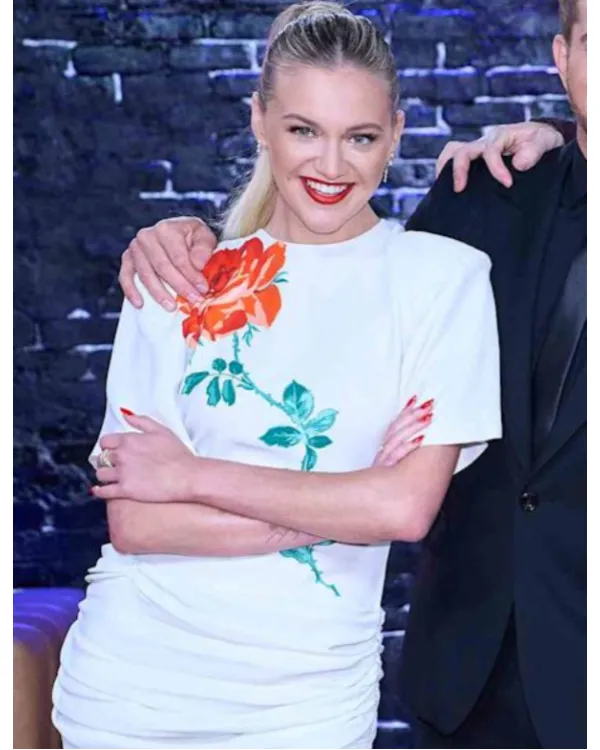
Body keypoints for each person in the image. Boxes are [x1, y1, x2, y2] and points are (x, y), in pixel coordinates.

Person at [116, 1, 586, 748]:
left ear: (390, 134)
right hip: (466, 667)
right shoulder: (485, 197)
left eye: (357, 137)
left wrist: (192, 476)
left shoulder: (452, 257)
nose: (331, 161)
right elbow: (329, 273)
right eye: (304, 129)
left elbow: (401, 507)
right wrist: (187, 239)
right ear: (562, 56)